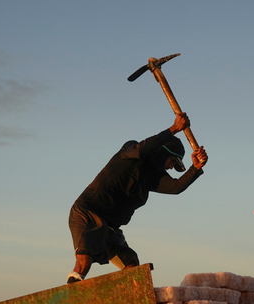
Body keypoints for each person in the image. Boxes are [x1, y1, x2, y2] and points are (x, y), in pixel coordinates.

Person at [66, 112, 208, 283]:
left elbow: (176, 187)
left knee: (132, 265)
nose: (171, 168)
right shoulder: (130, 152)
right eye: (172, 162)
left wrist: (195, 168)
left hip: (110, 228)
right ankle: (72, 289)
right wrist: (173, 129)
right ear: (164, 153)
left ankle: (122, 299)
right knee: (84, 261)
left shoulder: (152, 178)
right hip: (87, 213)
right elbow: (143, 149)